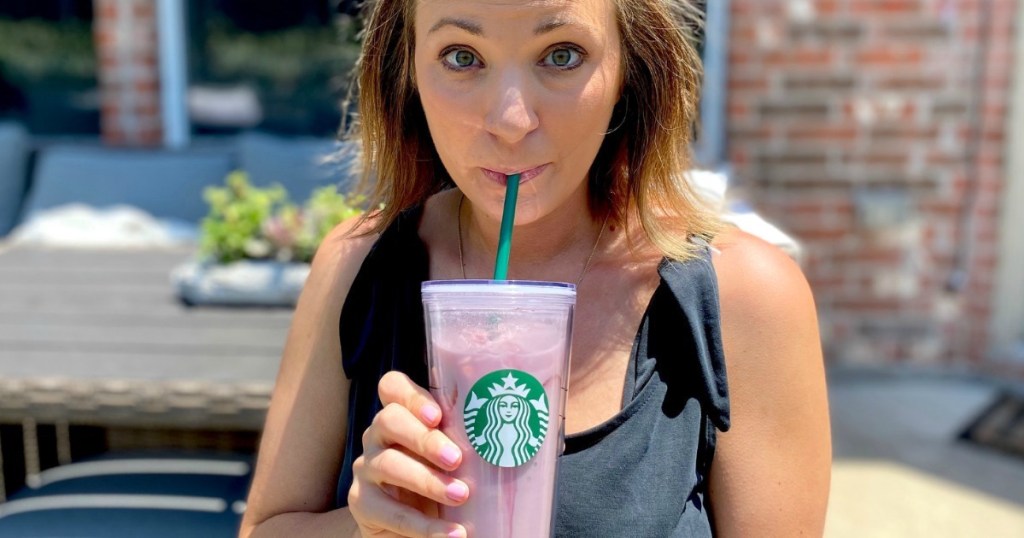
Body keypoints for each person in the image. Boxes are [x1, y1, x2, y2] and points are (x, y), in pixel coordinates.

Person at [239, 0, 832, 536]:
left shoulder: (746, 296)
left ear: (629, 66)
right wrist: (366, 528)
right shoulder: (356, 265)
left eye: (562, 55)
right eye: (462, 56)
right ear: (408, 70)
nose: (512, 119)